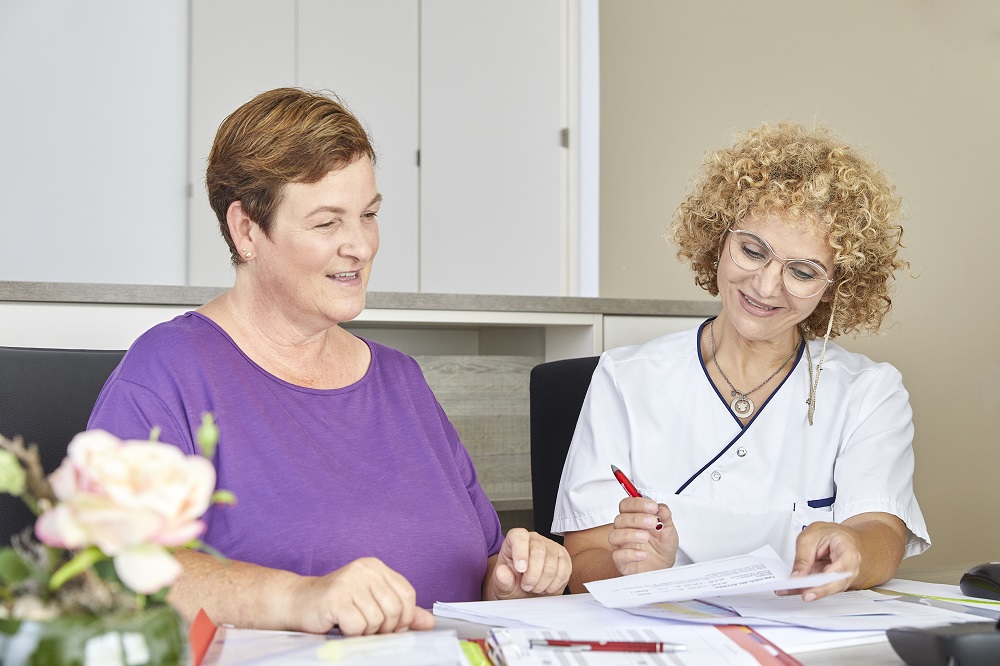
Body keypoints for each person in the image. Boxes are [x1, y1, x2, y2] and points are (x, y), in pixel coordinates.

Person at [88, 87, 571, 635]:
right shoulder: (170, 370)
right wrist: (301, 598)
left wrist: (505, 581)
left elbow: (475, 563)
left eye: (368, 214)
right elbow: (115, 568)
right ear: (246, 229)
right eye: (327, 223)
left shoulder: (399, 378)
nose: (361, 246)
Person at [552, 122, 929, 601]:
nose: (767, 286)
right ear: (718, 240)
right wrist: (632, 566)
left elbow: (882, 532)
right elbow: (582, 560)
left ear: (838, 287)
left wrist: (852, 545)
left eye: (803, 271)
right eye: (753, 251)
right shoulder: (625, 381)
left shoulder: (869, 392)